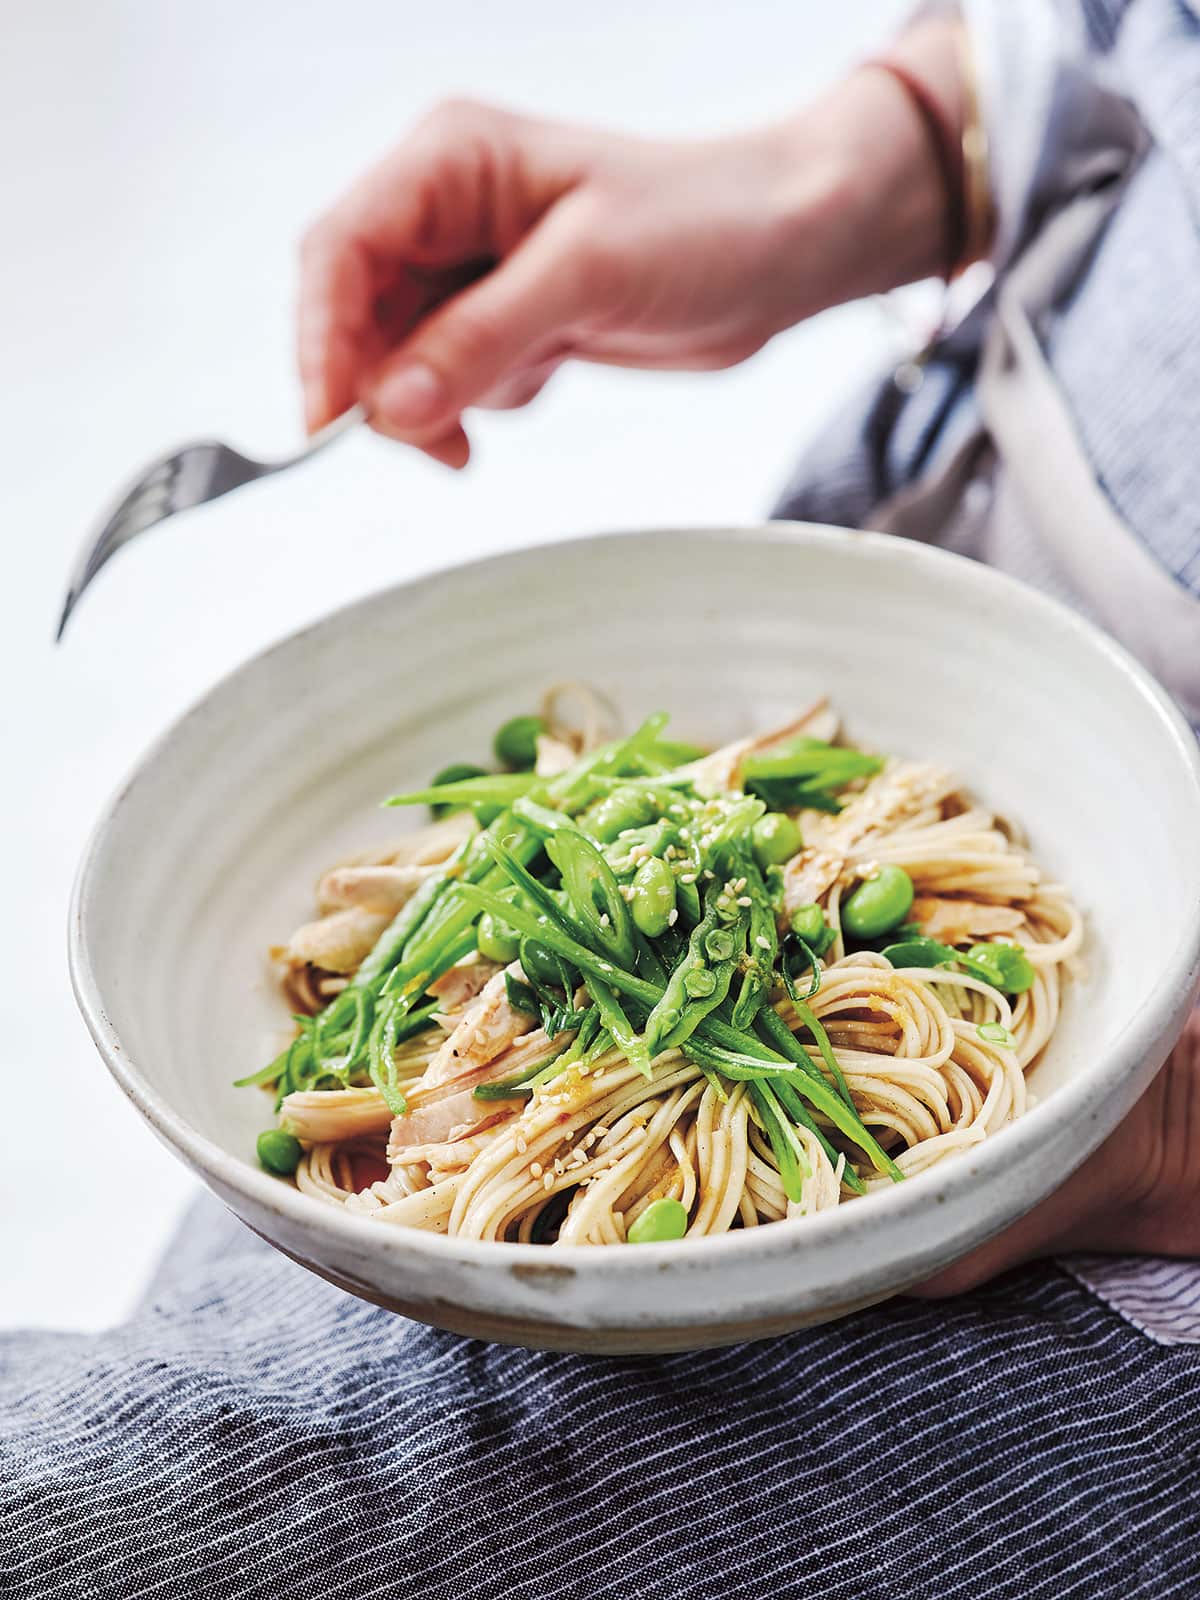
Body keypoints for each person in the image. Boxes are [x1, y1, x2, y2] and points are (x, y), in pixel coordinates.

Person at [6, 5, 1200, 1595]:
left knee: (103, 1517)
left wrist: (1170, 1137)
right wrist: (885, 154)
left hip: (1120, 1209)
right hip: (931, 580)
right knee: (180, 1367)